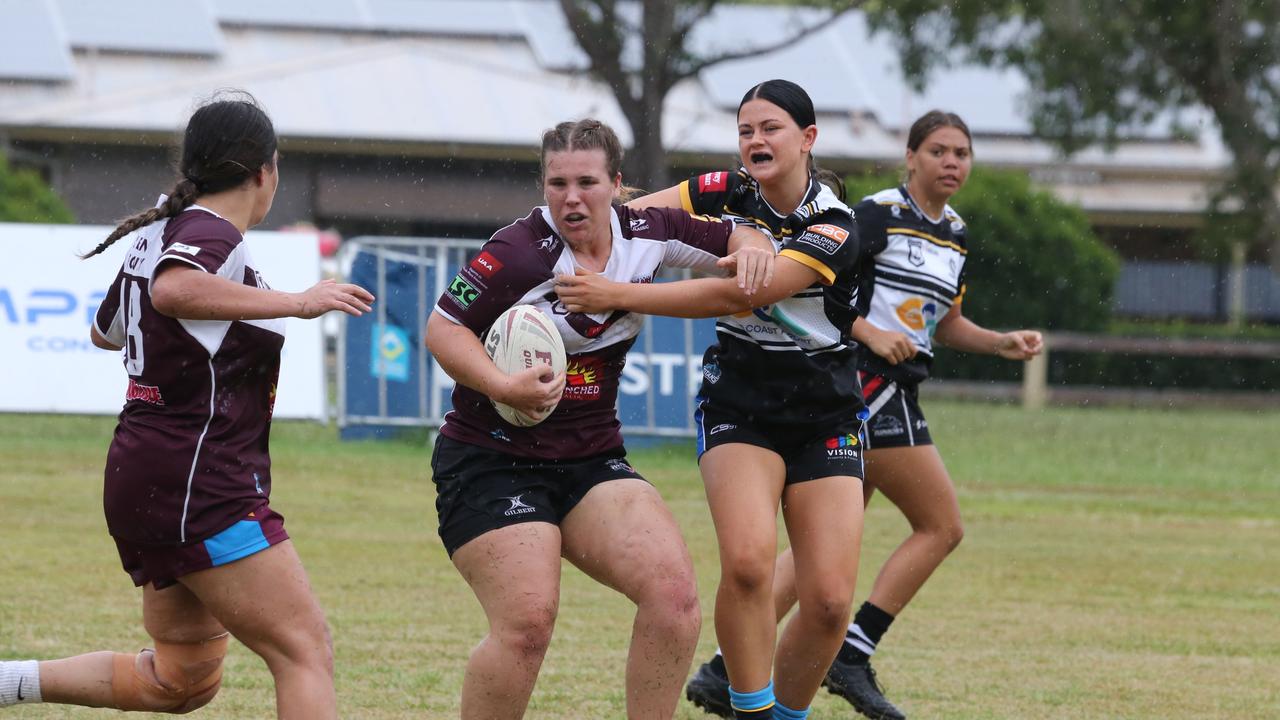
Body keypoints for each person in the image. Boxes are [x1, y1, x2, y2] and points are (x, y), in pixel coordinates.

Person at [0, 92, 374, 718]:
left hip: (146, 473)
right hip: (198, 479)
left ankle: (8, 682)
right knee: (304, 651)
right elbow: (174, 290)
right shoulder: (208, 232)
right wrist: (296, 301)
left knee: (181, 680)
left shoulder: (159, 235)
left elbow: (105, 330)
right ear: (265, 171)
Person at [681, 110, 1045, 720]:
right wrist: (870, 333)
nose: (952, 162)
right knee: (942, 525)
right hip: (862, 383)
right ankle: (852, 650)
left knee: (823, 555)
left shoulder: (955, 232)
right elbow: (822, 288)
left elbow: (944, 322)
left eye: (962, 152)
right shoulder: (873, 214)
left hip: (898, 384)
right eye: (938, 150)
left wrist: (999, 343)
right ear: (910, 157)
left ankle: (727, 665)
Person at [425, 118, 773, 720]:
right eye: (557, 183)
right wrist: (502, 383)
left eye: (587, 181)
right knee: (528, 623)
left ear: (616, 184)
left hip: (589, 461)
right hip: (490, 461)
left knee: (675, 600)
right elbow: (442, 328)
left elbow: (738, 236)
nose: (571, 197)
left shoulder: (649, 231)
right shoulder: (516, 252)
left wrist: (755, 252)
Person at [555, 80, 866, 720]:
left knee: (831, 600)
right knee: (749, 565)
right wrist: (590, 198)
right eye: (746, 129)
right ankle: (751, 710)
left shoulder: (835, 224)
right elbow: (634, 220)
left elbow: (740, 297)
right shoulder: (721, 192)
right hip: (740, 405)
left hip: (826, 413)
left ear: (808, 139)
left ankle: (789, 713)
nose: (755, 140)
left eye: (771, 128)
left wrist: (620, 295)